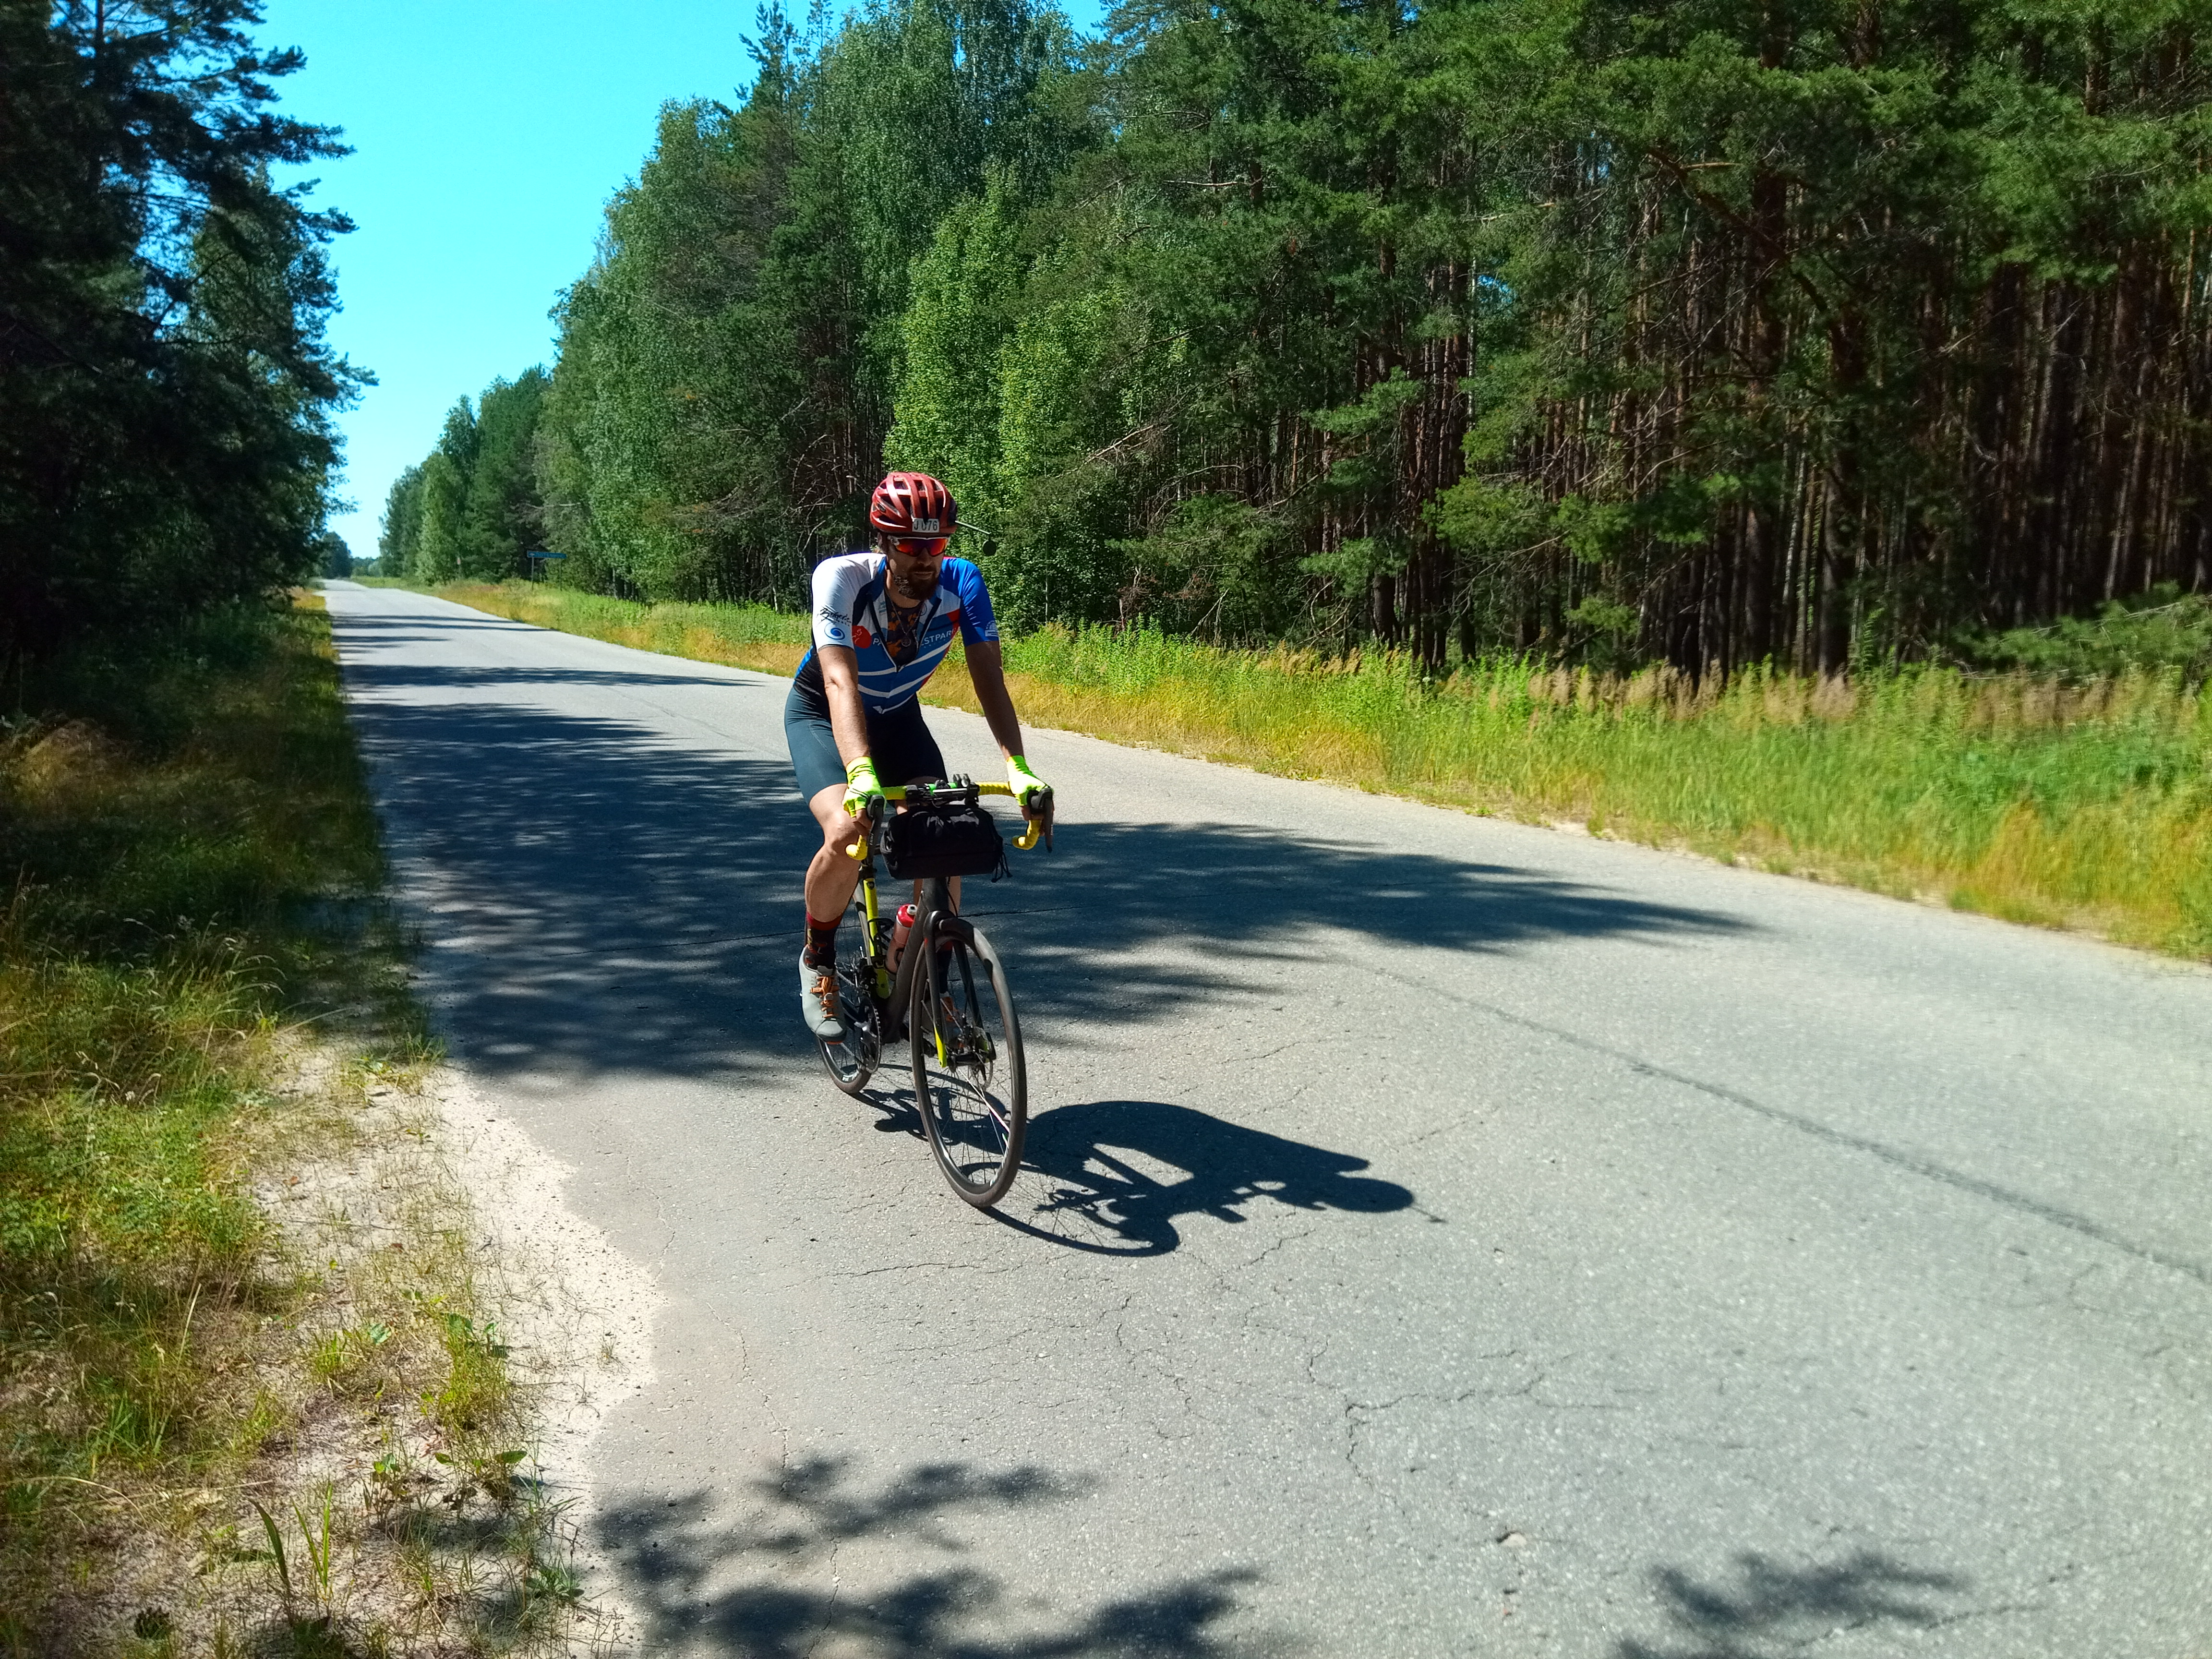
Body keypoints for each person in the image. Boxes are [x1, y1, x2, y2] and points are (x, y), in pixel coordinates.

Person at [785, 471, 1051, 1038]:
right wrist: (860, 772)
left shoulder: (964, 581)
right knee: (846, 830)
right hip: (824, 713)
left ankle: (926, 981)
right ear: (883, 541)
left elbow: (990, 679)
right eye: (910, 544)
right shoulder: (841, 579)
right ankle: (818, 960)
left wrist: (1019, 769)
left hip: (899, 718)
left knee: (943, 837)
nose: (925, 557)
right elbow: (838, 682)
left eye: (937, 543)